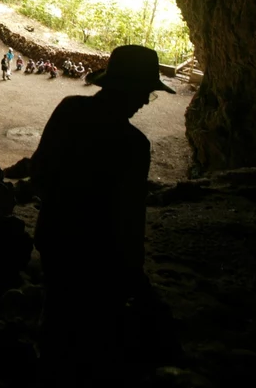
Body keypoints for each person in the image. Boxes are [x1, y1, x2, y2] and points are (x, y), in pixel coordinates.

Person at [30, 45, 178, 387]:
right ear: (130, 90)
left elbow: (40, 172)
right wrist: (135, 274)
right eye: (145, 93)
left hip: (55, 238)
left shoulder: (69, 110)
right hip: (101, 259)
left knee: (56, 319)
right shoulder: (133, 144)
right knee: (93, 338)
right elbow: (128, 216)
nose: (144, 101)